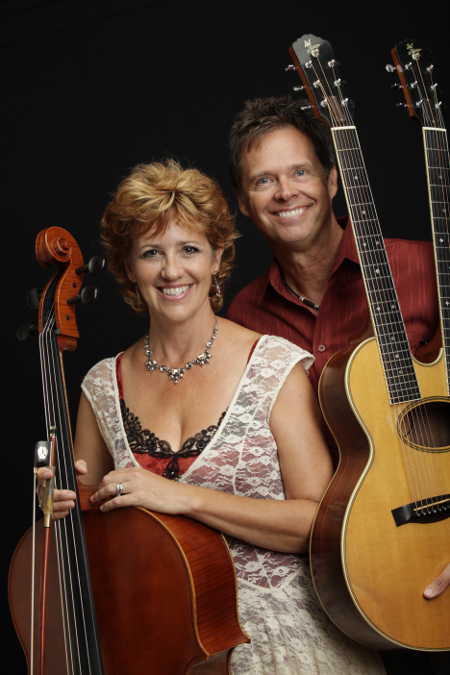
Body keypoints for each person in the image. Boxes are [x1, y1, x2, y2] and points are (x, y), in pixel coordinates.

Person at [39, 159, 385, 674]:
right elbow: (89, 534)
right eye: (151, 253)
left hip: (283, 643)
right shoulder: (101, 385)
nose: (171, 271)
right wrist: (56, 501)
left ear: (217, 256)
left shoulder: (272, 366)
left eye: (189, 249)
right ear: (128, 267)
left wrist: (184, 497)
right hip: (162, 646)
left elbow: (318, 523)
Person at [226, 96, 450, 672]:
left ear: (331, 180)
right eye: (264, 181)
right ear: (244, 204)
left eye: (300, 172)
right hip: (333, 594)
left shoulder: (422, 268)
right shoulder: (242, 320)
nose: (285, 192)